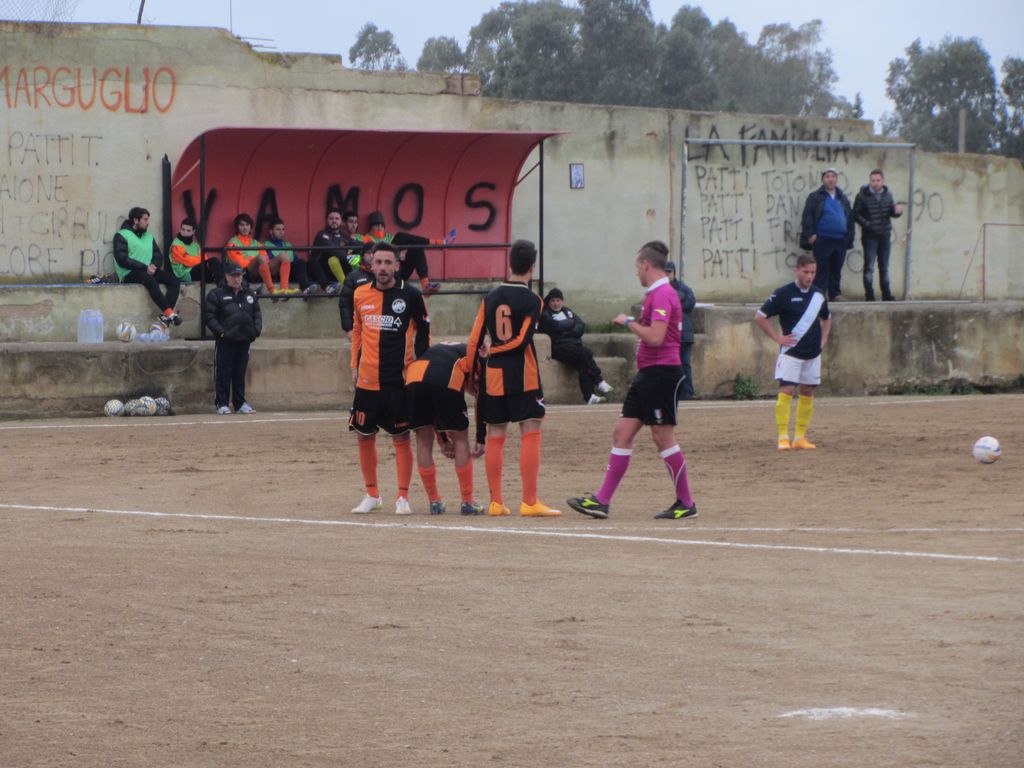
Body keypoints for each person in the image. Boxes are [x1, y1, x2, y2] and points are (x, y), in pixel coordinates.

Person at [568, 241, 697, 521]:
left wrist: (628, 322)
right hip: (648, 375)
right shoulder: (657, 293)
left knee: (662, 437)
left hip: (662, 374)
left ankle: (686, 503)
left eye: (637, 266)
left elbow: (656, 337)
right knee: (622, 433)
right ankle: (601, 501)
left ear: (646, 265)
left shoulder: (662, 294)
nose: (636, 271)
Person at [464, 239, 560, 517]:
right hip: (523, 374)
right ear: (532, 267)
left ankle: (496, 502)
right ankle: (529, 501)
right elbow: (522, 340)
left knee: (496, 433)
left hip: (494, 374)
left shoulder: (490, 297)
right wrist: (496, 349)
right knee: (531, 429)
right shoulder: (533, 300)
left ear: (509, 264)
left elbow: (474, 339)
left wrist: (470, 372)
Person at [349, 242, 431, 515]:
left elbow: (424, 331)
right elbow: (357, 331)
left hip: (398, 381)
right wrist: (354, 364)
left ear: (397, 265)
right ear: (371, 265)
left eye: (388, 262)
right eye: (378, 262)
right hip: (367, 381)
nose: (383, 267)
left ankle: (402, 497)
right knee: (364, 437)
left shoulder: (411, 295)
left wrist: (421, 366)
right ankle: (372, 494)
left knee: (401, 438)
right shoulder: (360, 294)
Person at [752, 253, 832, 451]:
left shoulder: (818, 295)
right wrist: (778, 338)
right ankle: (782, 437)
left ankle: (800, 437)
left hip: (812, 353)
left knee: (807, 391)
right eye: (806, 272)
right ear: (797, 270)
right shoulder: (783, 293)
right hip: (791, 353)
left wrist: (823, 341)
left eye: (813, 272)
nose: (810, 276)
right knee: (787, 390)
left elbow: (827, 318)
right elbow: (760, 317)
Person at [406, 342, 487, 516]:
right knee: (461, 439)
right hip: (443, 375)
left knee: (423, 440)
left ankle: (434, 502)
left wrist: (443, 441)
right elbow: (481, 400)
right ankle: (467, 501)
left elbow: (435, 409)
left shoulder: (453, 349)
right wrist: (481, 438)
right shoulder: (483, 361)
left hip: (414, 375)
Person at [202, 260, 262, 415]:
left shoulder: (249, 294)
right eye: (233, 275)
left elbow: (257, 313)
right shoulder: (216, 294)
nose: (236, 279)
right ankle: (222, 403)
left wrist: (255, 331)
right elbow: (209, 316)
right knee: (223, 372)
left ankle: (240, 403)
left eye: (239, 275)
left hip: (244, 339)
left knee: (240, 373)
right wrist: (221, 332)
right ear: (226, 276)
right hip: (226, 341)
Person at [539, 287, 612, 405]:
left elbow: (581, 325)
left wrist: (566, 329)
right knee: (586, 353)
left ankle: (589, 396)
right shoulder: (546, 314)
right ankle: (599, 381)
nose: (555, 303)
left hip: (574, 346)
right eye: (553, 301)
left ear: (562, 301)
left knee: (582, 363)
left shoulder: (567, 311)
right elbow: (556, 327)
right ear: (549, 302)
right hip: (559, 348)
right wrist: (570, 324)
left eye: (558, 300)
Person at [112, 206, 182, 328]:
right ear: (136, 220)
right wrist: (145, 268)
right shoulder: (121, 235)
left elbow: (158, 255)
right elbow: (122, 259)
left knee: (174, 280)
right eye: (145, 219)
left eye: (147, 219)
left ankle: (164, 316)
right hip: (129, 273)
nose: (147, 222)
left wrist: (154, 265)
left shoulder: (149, 237)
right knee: (150, 280)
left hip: (148, 270)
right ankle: (170, 313)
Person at [354, 210, 453, 295]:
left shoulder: (390, 237)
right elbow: (353, 244)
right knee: (400, 236)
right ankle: (439, 242)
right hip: (378, 272)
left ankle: (425, 284)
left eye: (382, 226)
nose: (379, 228)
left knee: (416, 247)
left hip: (397, 272)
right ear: (370, 227)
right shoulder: (363, 238)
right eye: (376, 225)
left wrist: (400, 254)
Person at [799, 168, 855, 301]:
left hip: (840, 240)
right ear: (823, 179)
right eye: (827, 176)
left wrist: (848, 238)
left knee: (837, 268)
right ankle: (819, 294)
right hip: (822, 239)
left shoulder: (842, 198)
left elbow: (850, 218)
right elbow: (807, 216)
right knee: (821, 269)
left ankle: (835, 294)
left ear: (836, 179)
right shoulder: (815, 197)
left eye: (833, 176)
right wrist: (810, 234)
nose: (830, 179)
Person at [853, 169, 903, 301]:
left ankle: (886, 294)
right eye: (873, 180)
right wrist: (868, 225)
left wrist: (897, 212)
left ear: (882, 181)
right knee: (869, 267)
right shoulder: (862, 196)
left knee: (884, 267)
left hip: (885, 235)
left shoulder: (888, 195)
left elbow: (891, 212)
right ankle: (869, 295)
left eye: (878, 180)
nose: (875, 183)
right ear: (870, 181)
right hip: (869, 236)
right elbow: (855, 214)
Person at [225, 213, 279, 296]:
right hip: (244, 274)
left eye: (247, 225)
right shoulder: (232, 243)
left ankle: (284, 289)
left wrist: (251, 258)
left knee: (283, 256)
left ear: (250, 227)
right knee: (261, 258)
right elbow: (240, 263)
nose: (245, 228)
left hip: (261, 272)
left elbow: (266, 259)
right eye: (242, 225)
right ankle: (272, 290)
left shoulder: (256, 243)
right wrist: (255, 259)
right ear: (237, 227)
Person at [665, 262, 697, 400]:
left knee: (685, 364)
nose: (667, 275)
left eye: (669, 272)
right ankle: (673, 392)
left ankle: (688, 392)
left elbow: (691, 302)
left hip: (685, 334)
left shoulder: (683, 287)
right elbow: (663, 308)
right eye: (665, 272)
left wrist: (676, 302)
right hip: (670, 335)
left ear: (674, 273)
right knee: (671, 365)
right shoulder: (661, 289)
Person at [313, 208, 358, 293]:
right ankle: (345, 286)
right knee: (334, 258)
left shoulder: (343, 234)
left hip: (339, 270)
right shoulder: (322, 234)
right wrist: (350, 258)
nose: (334, 221)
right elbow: (334, 250)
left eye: (337, 218)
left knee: (358, 255)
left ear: (341, 221)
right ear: (327, 220)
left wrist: (372, 246)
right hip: (324, 272)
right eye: (331, 218)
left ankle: (358, 282)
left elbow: (356, 243)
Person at [168, 217, 223, 285]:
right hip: (186, 274)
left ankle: (222, 287)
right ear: (180, 229)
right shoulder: (176, 245)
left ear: (193, 231)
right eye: (183, 229)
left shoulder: (195, 245)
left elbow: (205, 258)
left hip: (196, 271)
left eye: (188, 230)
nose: (185, 232)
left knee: (222, 266)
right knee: (213, 261)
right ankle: (221, 287)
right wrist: (200, 259)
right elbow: (189, 262)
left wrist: (198, 260)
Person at [338, 243, 374, 340]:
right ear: (363, 255)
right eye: (368, 253)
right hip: (360, 326)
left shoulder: (385, 275)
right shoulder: (353, 276)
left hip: (382, 325)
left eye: (374, 253)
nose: (371, 256)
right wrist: (348, 329)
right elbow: (345, 304)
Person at [261, 217, 301, 296]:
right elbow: (269, 263)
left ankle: (306, 286)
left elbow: (296, 260)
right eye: (278, 229)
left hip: (290, 272)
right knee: (284, 257)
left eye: (283, 229)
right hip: (276, 274)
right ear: (271, 231)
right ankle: (284, 288)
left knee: (302, 262)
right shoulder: (266, 245)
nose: (281, 232)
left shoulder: (288, 244)